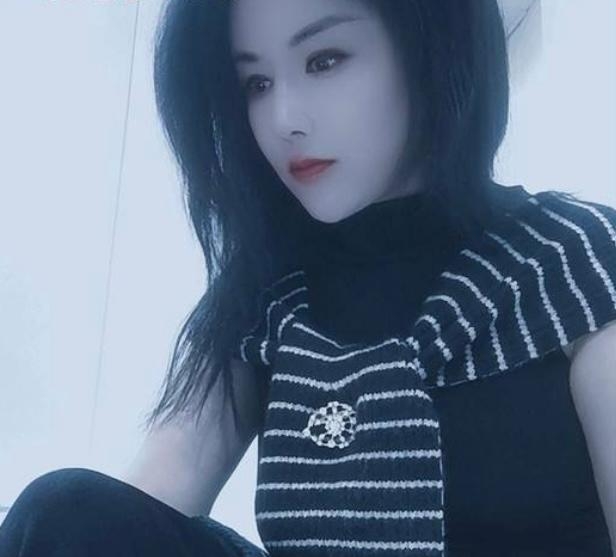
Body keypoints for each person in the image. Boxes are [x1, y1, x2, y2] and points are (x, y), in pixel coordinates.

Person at [1, 0, 614, 556]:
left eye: (324, 60)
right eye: (257, 83)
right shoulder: (267, 292)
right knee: (65, 511)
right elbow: (139, 502)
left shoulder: (575, 259)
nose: (283, 119)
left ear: (432, 45)